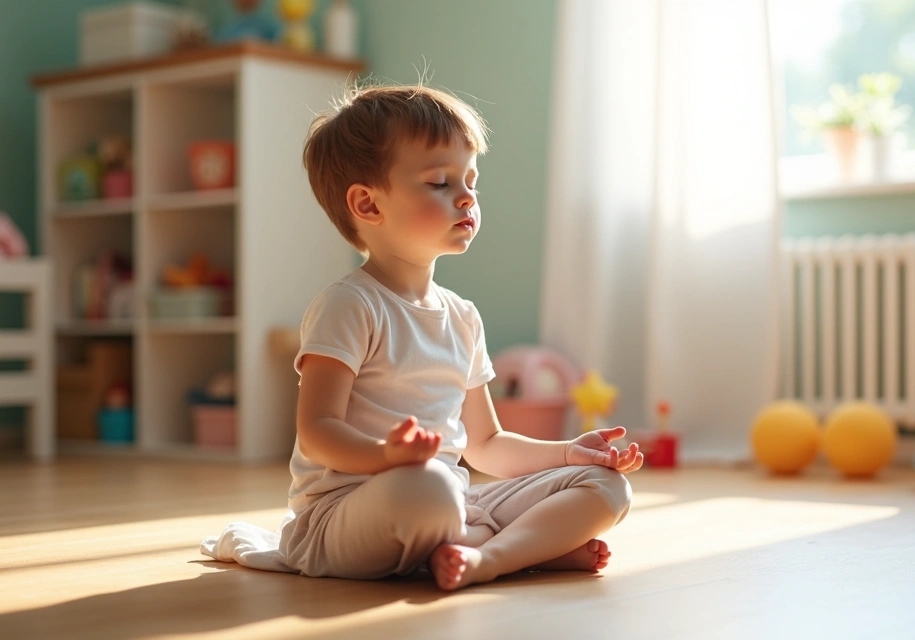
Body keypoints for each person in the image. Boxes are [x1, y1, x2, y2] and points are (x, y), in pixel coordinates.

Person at [206, 83, 642, 591]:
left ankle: (490, 557)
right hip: (343, 516)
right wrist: (388, 457)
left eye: (471, 181)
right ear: (368, 205)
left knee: (609, 487)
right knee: (432, 488)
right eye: (439, 182)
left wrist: (569, 452)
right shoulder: (350, 304)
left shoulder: (463, 317)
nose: (466, 197)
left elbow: (486, 444)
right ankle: (523, 546)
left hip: (444, 499)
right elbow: (318, 432)